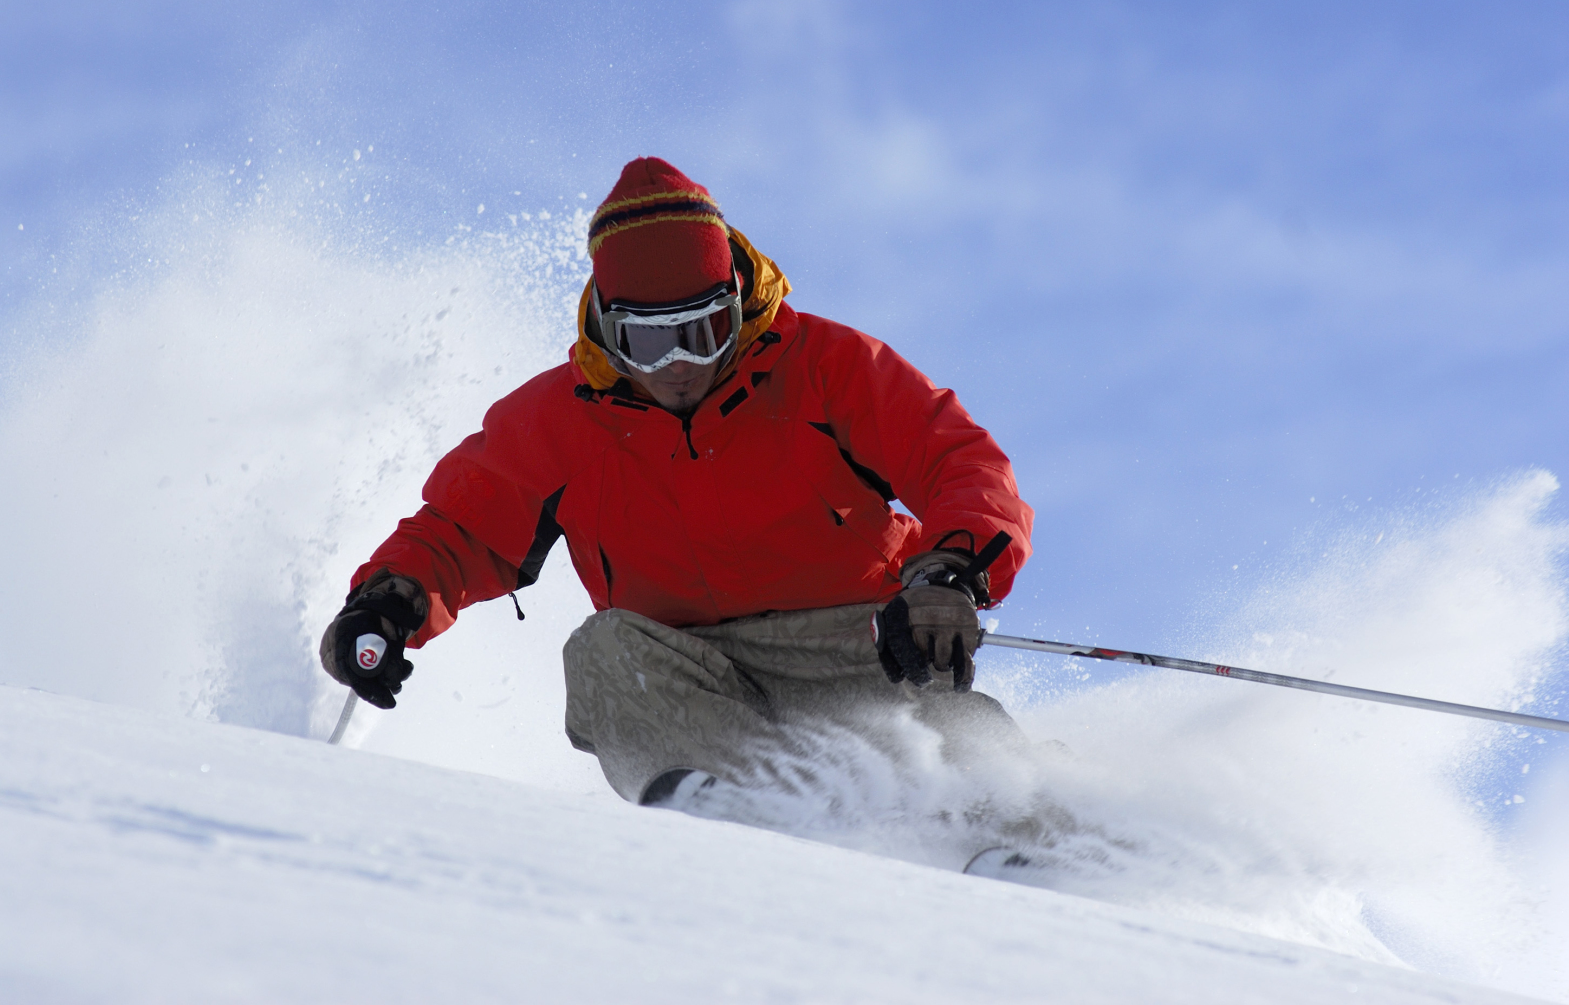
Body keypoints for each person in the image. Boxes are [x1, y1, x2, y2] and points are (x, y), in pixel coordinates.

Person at [320, 157, 1035, 806]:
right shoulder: (560, 420)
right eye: (651, 341)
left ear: (738, 302)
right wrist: (389, 601)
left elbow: (961, 462)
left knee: (955, 750)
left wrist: (948, 573)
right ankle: (726, 810)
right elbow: (459, 530)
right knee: (602, 654)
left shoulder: (824, 365)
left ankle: (1032, 833)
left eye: (704, 331)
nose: (679, 366)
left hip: (855, 642)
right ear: (608, 326)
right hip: (687, 677)